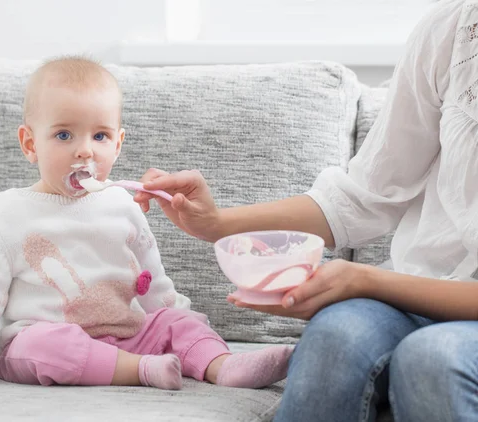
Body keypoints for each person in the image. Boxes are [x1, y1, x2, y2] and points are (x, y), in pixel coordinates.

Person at [134, 0, 478, 420]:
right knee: (336, 338)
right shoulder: (456, 29)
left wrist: (365, 280)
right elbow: (362, 197)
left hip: (442, 316)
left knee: (433, 359)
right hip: (414, 296)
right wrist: (216, 224)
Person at [0, 56, 293, 390]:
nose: (85, 151)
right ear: (30, 144)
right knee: (41, 345)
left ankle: (223, 365)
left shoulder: (122, 205)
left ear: (118, 144)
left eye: (100, 136)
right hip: (42, 338)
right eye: (64, 135)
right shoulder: (7, 213)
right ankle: (140, 371)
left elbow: (153, 280)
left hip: (128, 334)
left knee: (176, 322)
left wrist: (178, 323)